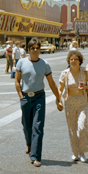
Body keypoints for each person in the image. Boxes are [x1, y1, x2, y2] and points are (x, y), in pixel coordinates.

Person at [14, 37, 62, 167]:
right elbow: (17, 81)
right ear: (28, 50)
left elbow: (51, 83)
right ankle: (29, 143)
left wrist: (58, 98)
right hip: (25, 97)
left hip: (39, 97)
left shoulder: (45, 64)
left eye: (37, 48)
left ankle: (35, 156)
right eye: (33, 48)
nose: (35, 50)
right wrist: (20, 95)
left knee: (38, 126)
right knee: (26, 125)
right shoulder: (21, 63)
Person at [58, 49, 88, 163]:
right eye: (71, 59)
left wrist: (85, 88)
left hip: (82, 103)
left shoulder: (85, 72)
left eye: (75, 59)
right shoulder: (65, 73)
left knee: (82, 127)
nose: (73, 61)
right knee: (72, 129)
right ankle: (75, 152)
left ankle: (82, 151)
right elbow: (60, 88)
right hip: (69, 103)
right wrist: (58, 100)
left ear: (80, 61)